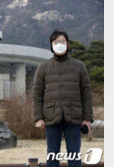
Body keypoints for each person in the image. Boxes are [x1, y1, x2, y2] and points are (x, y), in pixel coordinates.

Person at [33, 29, 93, 167]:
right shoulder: (43, 67)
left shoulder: (79, 66)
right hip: (51, 117)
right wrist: (38, 117)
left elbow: (87, 93)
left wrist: (87, 119)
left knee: (74, 157)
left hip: (74, 117)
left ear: (68, 44)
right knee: (52, 157)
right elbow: (37, 94)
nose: (59, 44)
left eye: (62, 41)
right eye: (56, 42)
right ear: (51, 45)